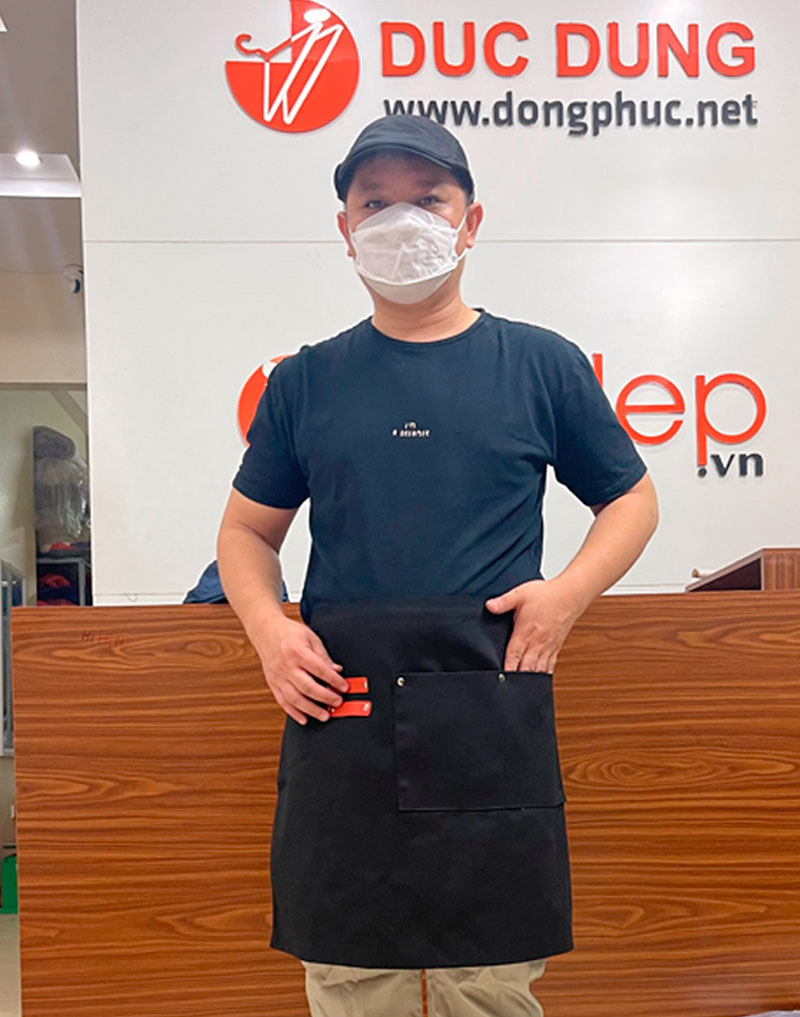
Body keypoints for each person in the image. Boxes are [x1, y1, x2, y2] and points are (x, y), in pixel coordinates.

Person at [216, 114, 659, 1017]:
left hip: (487, 712)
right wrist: (268, 631)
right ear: (345, 229)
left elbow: (632, 498)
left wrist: (566, 596)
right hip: (344, 716)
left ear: (471, 220)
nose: (401, 220)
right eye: (375, 203)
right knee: (350, 978)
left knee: (487, 983)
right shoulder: (305, 381)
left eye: (428, 199)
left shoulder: (540, 365)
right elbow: (247, 533)